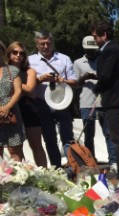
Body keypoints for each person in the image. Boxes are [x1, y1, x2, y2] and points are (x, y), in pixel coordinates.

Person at [91, 22, 119, 180]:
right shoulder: (113, 49)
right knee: (118, 136)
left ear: (104, 35)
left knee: (118, 137)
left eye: (96, 36)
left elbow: (106, 75)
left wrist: (97, 87)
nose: (94, 39)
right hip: (115, 97)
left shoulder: (110, 50)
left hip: (114, 98)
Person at [28, 30, 77, 167]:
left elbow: (75, 81)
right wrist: (40, 79)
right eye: (42, 44)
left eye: (48, 43)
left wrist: (63, 80)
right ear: (36, 43)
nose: (45, 46)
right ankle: (56, 168)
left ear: (52, 43)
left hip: (62, 102)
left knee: (68, 138)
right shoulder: (30, 61)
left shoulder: (64, 59)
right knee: (50, 139)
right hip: (42, 103)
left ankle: (72, 167)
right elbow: (26, 85)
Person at [73, 35, 116, 171]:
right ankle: (90, 162)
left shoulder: (102, 60)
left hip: (102, 102)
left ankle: (113, 161)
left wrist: (98, 77)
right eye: (88, 49)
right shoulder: (78, 63)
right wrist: (85, 77)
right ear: (84, 48)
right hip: (86, 102)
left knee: (108, 133)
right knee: (88, 135)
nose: (91, 52)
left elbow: (109, 79)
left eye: (93, 49)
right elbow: (75, 85)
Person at [6, 42, 46, 166]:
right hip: (11, 110)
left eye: (22, 53)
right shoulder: (3, 70)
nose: (18, 55)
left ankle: (45, 176)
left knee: (36, 144)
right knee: (14, 147)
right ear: (9, 54)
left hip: (29, 108)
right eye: (15, 52)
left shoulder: (29, 71)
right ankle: (23, 176)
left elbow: (29, 88)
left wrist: (10, 82)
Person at [0, 41, 25, 161]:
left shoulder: (12, 70)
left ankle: (21, 178)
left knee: (15, 151)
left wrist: (7, 107)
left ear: (2, 52)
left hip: (11, 115)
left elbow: (18, 92)